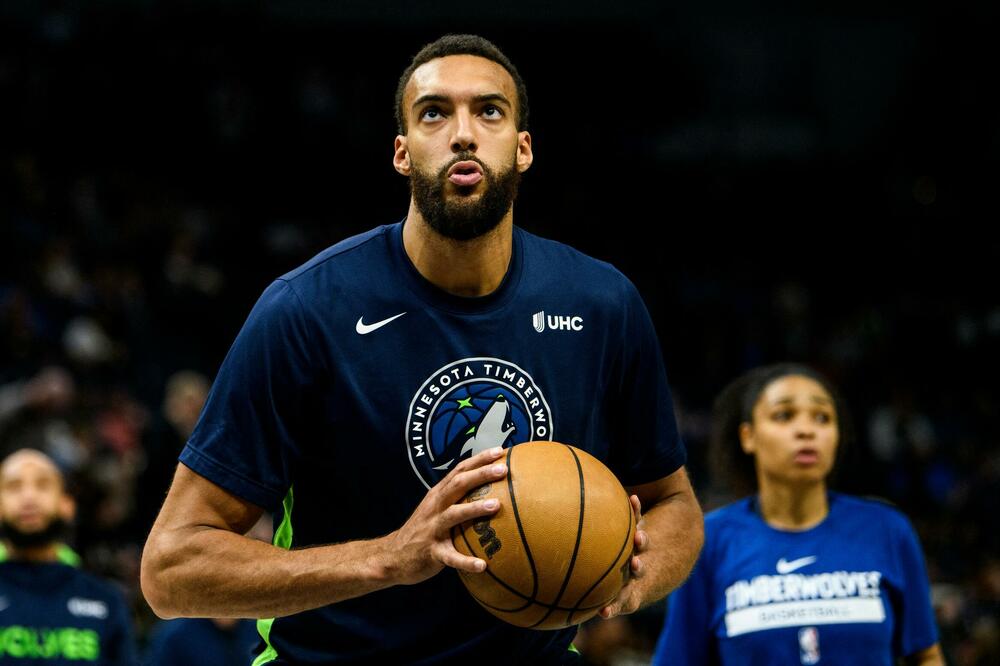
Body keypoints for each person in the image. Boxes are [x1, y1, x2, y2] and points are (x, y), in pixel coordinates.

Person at [140, 33, 703, 664]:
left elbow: (673, 503)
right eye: (434, 112)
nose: (463, 133)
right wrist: (388, 558)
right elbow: (171, 568)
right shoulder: (306, 310)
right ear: (403, 154)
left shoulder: (603, 304)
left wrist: (622, 581)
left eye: (489, 111)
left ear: (523, 149)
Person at [652, 363, 944, 665]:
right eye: (784, 415)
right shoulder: (709, 541)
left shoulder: (887, 529)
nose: (806, 430)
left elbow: (925, 656)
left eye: (822, 418)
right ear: (747, 436)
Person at [0, 449, 136, 665]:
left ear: (67, 505)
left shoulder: (106, 600)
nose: (29, 497)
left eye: (43, 485)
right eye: (14, 486)